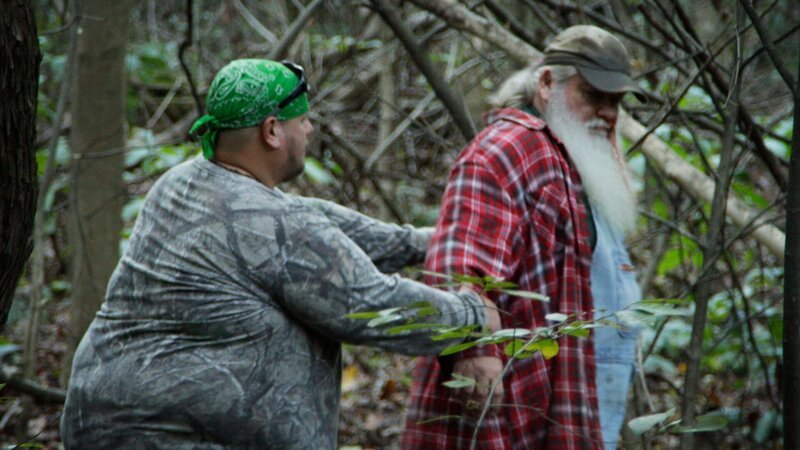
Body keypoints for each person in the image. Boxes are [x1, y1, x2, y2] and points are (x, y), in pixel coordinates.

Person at [60, 58, 500, 449]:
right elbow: (371, 306)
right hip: (168, 433)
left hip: (100, 419)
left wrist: (427, 242)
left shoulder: (182, 184)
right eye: (302, 120)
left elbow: (312, 222)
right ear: (272, 130)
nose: (308, 130)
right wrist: (472, 314)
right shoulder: (273, 224)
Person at [403, 25, 646, 449]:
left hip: (562, 402)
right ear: (547, 83)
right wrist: (473, 348)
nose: (608, 113)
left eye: (616, 102)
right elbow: (463, 266)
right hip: (507, 413)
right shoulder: (506, 148)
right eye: (593, 95)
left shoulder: (573, 162)